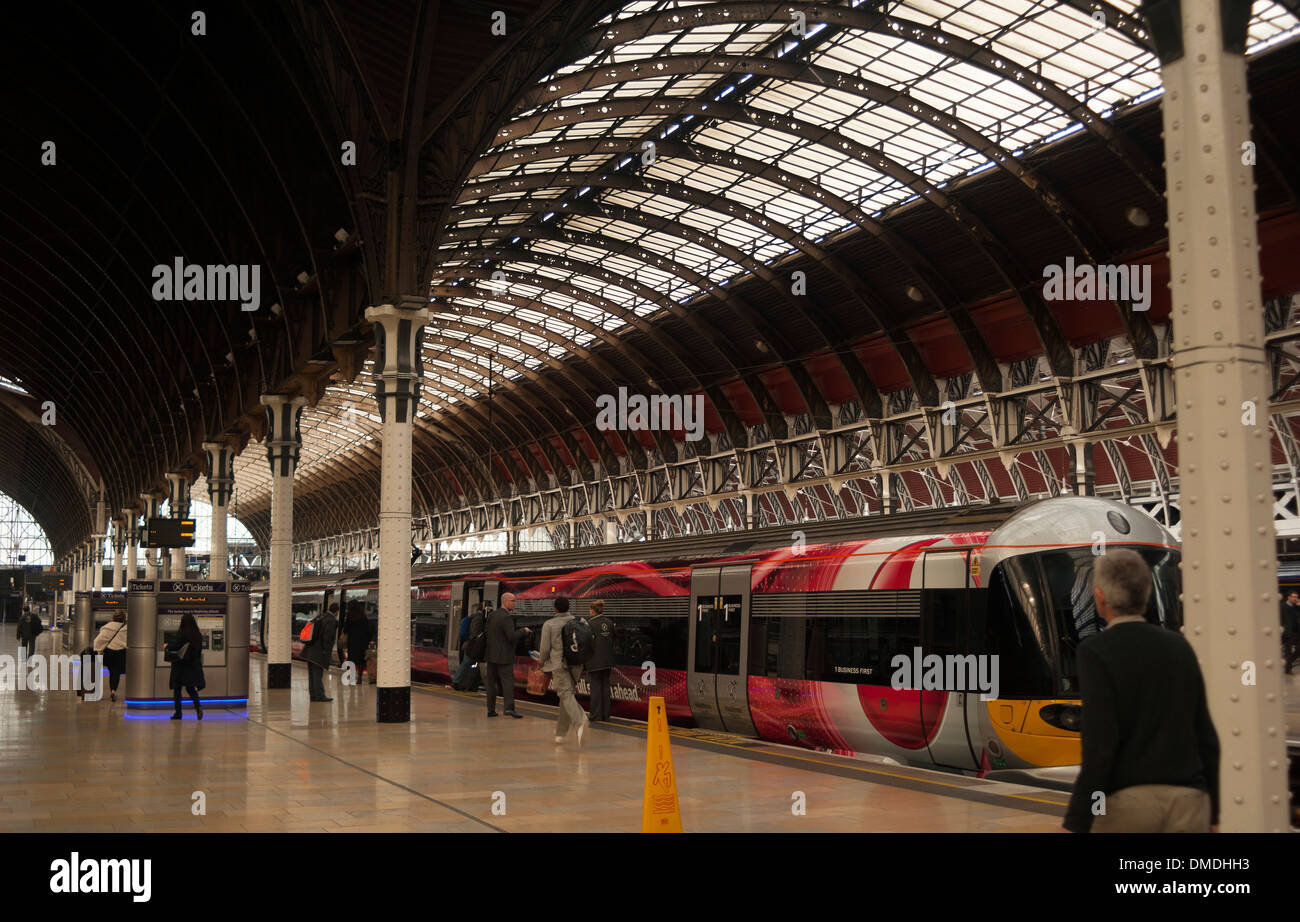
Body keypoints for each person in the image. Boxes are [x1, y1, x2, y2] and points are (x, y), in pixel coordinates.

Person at [1063, 549, 1220, 833]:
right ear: (1147, 594)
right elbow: (1206, 735)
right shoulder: (1180, 646)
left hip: (1128, 802)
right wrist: (1215, 813)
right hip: (1189, 800)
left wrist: (1077, 820)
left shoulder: (1095, 651)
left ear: (1100, 597)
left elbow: (1100, 743)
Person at [535, 595, 588, 746]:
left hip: (559, 665)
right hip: (577, 664)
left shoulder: (549, 624)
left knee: (565, 694)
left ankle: (580, 722)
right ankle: (560, 732)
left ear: (555, 608)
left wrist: (541, 662)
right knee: (567, 695)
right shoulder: (581, 621)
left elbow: (544, 649)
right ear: (569, 607)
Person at [484, 594, 529, 718]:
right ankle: (508, 708)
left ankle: (491, 710)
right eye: (513, 601)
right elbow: (511, 636)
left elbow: (487, 632)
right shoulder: (506, 617)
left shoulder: (492, 615)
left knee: (491, 684)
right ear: (505, 601)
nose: (515, 603)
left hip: (491, 655)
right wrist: (523, 631)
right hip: (504, 656)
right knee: (507, 683)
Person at [166, 613, 205, 720]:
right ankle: (198, 707)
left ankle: (178, 713)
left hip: (181, 666)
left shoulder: (182, 633)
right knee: (191, 689)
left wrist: (167, 645)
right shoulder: (198, 635)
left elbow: (176, 646)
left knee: (177, 689)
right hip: (193, 666)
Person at [585, 600, 615, 722]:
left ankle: (595, 715)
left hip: (594, 661)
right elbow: (615, 637)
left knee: (596, 687)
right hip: (608, 660)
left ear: (593, 610)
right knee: (605, 686)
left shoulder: (589, 623)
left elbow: (586, 642)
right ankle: (605, 714)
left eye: (589, 609)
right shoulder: (609, 622)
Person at [303, 603, 339, 702]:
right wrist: (326, 652)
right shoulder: (331, 620)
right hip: (318, 652)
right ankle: (319, 696)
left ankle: (313, 695)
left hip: (310, 650)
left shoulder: (320, 616)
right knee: (317, 675)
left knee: (312, 674)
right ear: (336, 611)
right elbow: (327, 638)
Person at [92, 612, 128, 702]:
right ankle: (113, 691)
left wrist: (99, 651)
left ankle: (103, 690)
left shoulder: (107, 627)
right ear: (124, 618)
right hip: (121, 654)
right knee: (116, 673)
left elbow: (97, 641)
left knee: (112, 671)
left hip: (109, 653)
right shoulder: (127, 628)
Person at [452, 604, 481, 691]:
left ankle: (466, 683)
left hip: (468, 645)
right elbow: (475, 633)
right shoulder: (479, 619)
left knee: (469, 663)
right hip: (473, 646)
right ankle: (459, 682)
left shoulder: (470, 618)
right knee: (469, 663)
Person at [342, 601, 371, 685]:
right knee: (361, 661)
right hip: (362, 642)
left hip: (352, 642)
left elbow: (346, 629)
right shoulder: (363, 617)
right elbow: (368, 630)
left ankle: (351, 678)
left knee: (351, 660)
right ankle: (360, 678)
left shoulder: (349, 617)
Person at [1281, 591, 1299, 674]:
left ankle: (1286, 664)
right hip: (1287, 633)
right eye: (1294, 597)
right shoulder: (1282, 607)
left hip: (1296, 633)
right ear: (1289, 597)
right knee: (1288, 651)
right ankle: (1287, 669)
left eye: (1296, 597)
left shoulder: (1296, 607)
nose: (1295, 599)